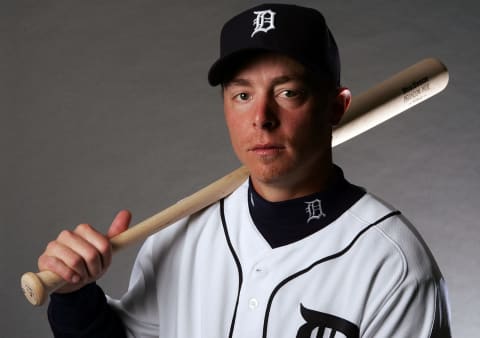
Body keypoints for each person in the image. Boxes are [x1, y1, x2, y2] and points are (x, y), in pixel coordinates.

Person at [39, 3, 451, 337]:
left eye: (288, 92)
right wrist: (76, 298)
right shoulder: (180, 237)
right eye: (241, 94)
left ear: (336, 107)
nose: (261, 117)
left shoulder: (394, 266)